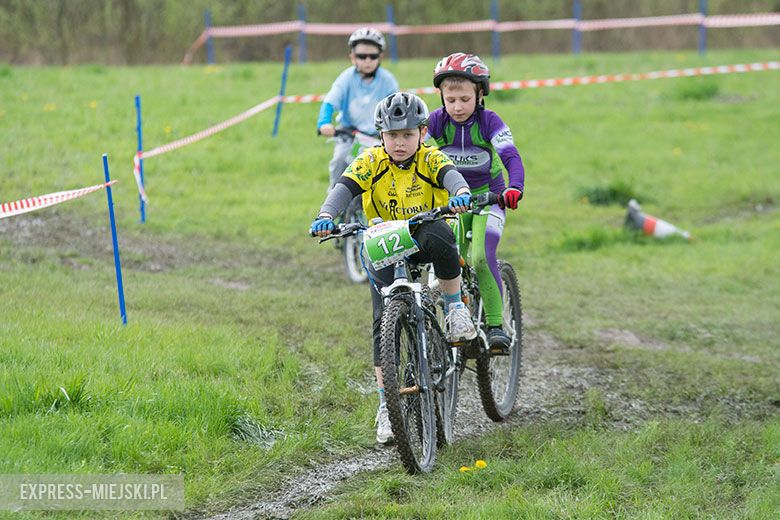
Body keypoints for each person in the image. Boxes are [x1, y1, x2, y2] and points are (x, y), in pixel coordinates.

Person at [311, 92, 477, 444]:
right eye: (392, 135)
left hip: (424, 237)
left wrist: (460, 192)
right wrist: (327, 215)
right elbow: (345, 187)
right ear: (380, 135)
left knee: (441, 234)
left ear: (421, 133)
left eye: (407, 135)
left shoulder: (429, 158)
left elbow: (451, 177)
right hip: (384, 243)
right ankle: (388, 404)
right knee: (380, 321)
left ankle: (454, 308)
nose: (399, 143)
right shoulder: (370, 161)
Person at [427, 52, 525, 355]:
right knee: (446, 258)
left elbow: (511, 156)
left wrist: (514, 187)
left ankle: (496, 325)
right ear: (441, 97)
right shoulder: (435, 122)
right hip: (453, 202)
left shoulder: (489, 121)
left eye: (465, 99)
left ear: (480, 94)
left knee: (481, 257)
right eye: (450, 99)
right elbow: (414, 150)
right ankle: (454, 316)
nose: (457, 107)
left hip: (489, 199)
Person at [317, 27, 399, 190]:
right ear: (353, 57)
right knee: (340, 160)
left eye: (373, 56)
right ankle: (334, 207)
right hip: (350, 134)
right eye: (362, 56)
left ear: (380, 57)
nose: (367, 60)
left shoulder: (388, 80)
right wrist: (324, 122)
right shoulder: (346, 78)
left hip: (379, 136)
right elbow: (330, 102)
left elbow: (397, 108)